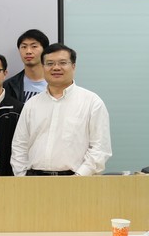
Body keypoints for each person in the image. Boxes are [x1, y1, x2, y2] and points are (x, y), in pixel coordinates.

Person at [11, 43, 112, 176]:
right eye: (50, 63)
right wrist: (22, 176)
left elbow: (100, 148)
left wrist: (79, 177)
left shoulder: (92, 102)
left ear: (73, 66)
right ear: (43, 67)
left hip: (76, 180)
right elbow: (20, 145)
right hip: (34, 180)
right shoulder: (32, 104)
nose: (56, 68)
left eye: (62, 63)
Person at [4, 29, 50, 103]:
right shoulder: (9, 86)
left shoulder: (57, 83)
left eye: (34, 46)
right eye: (24, 47)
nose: (28, 51)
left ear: (45, 51)